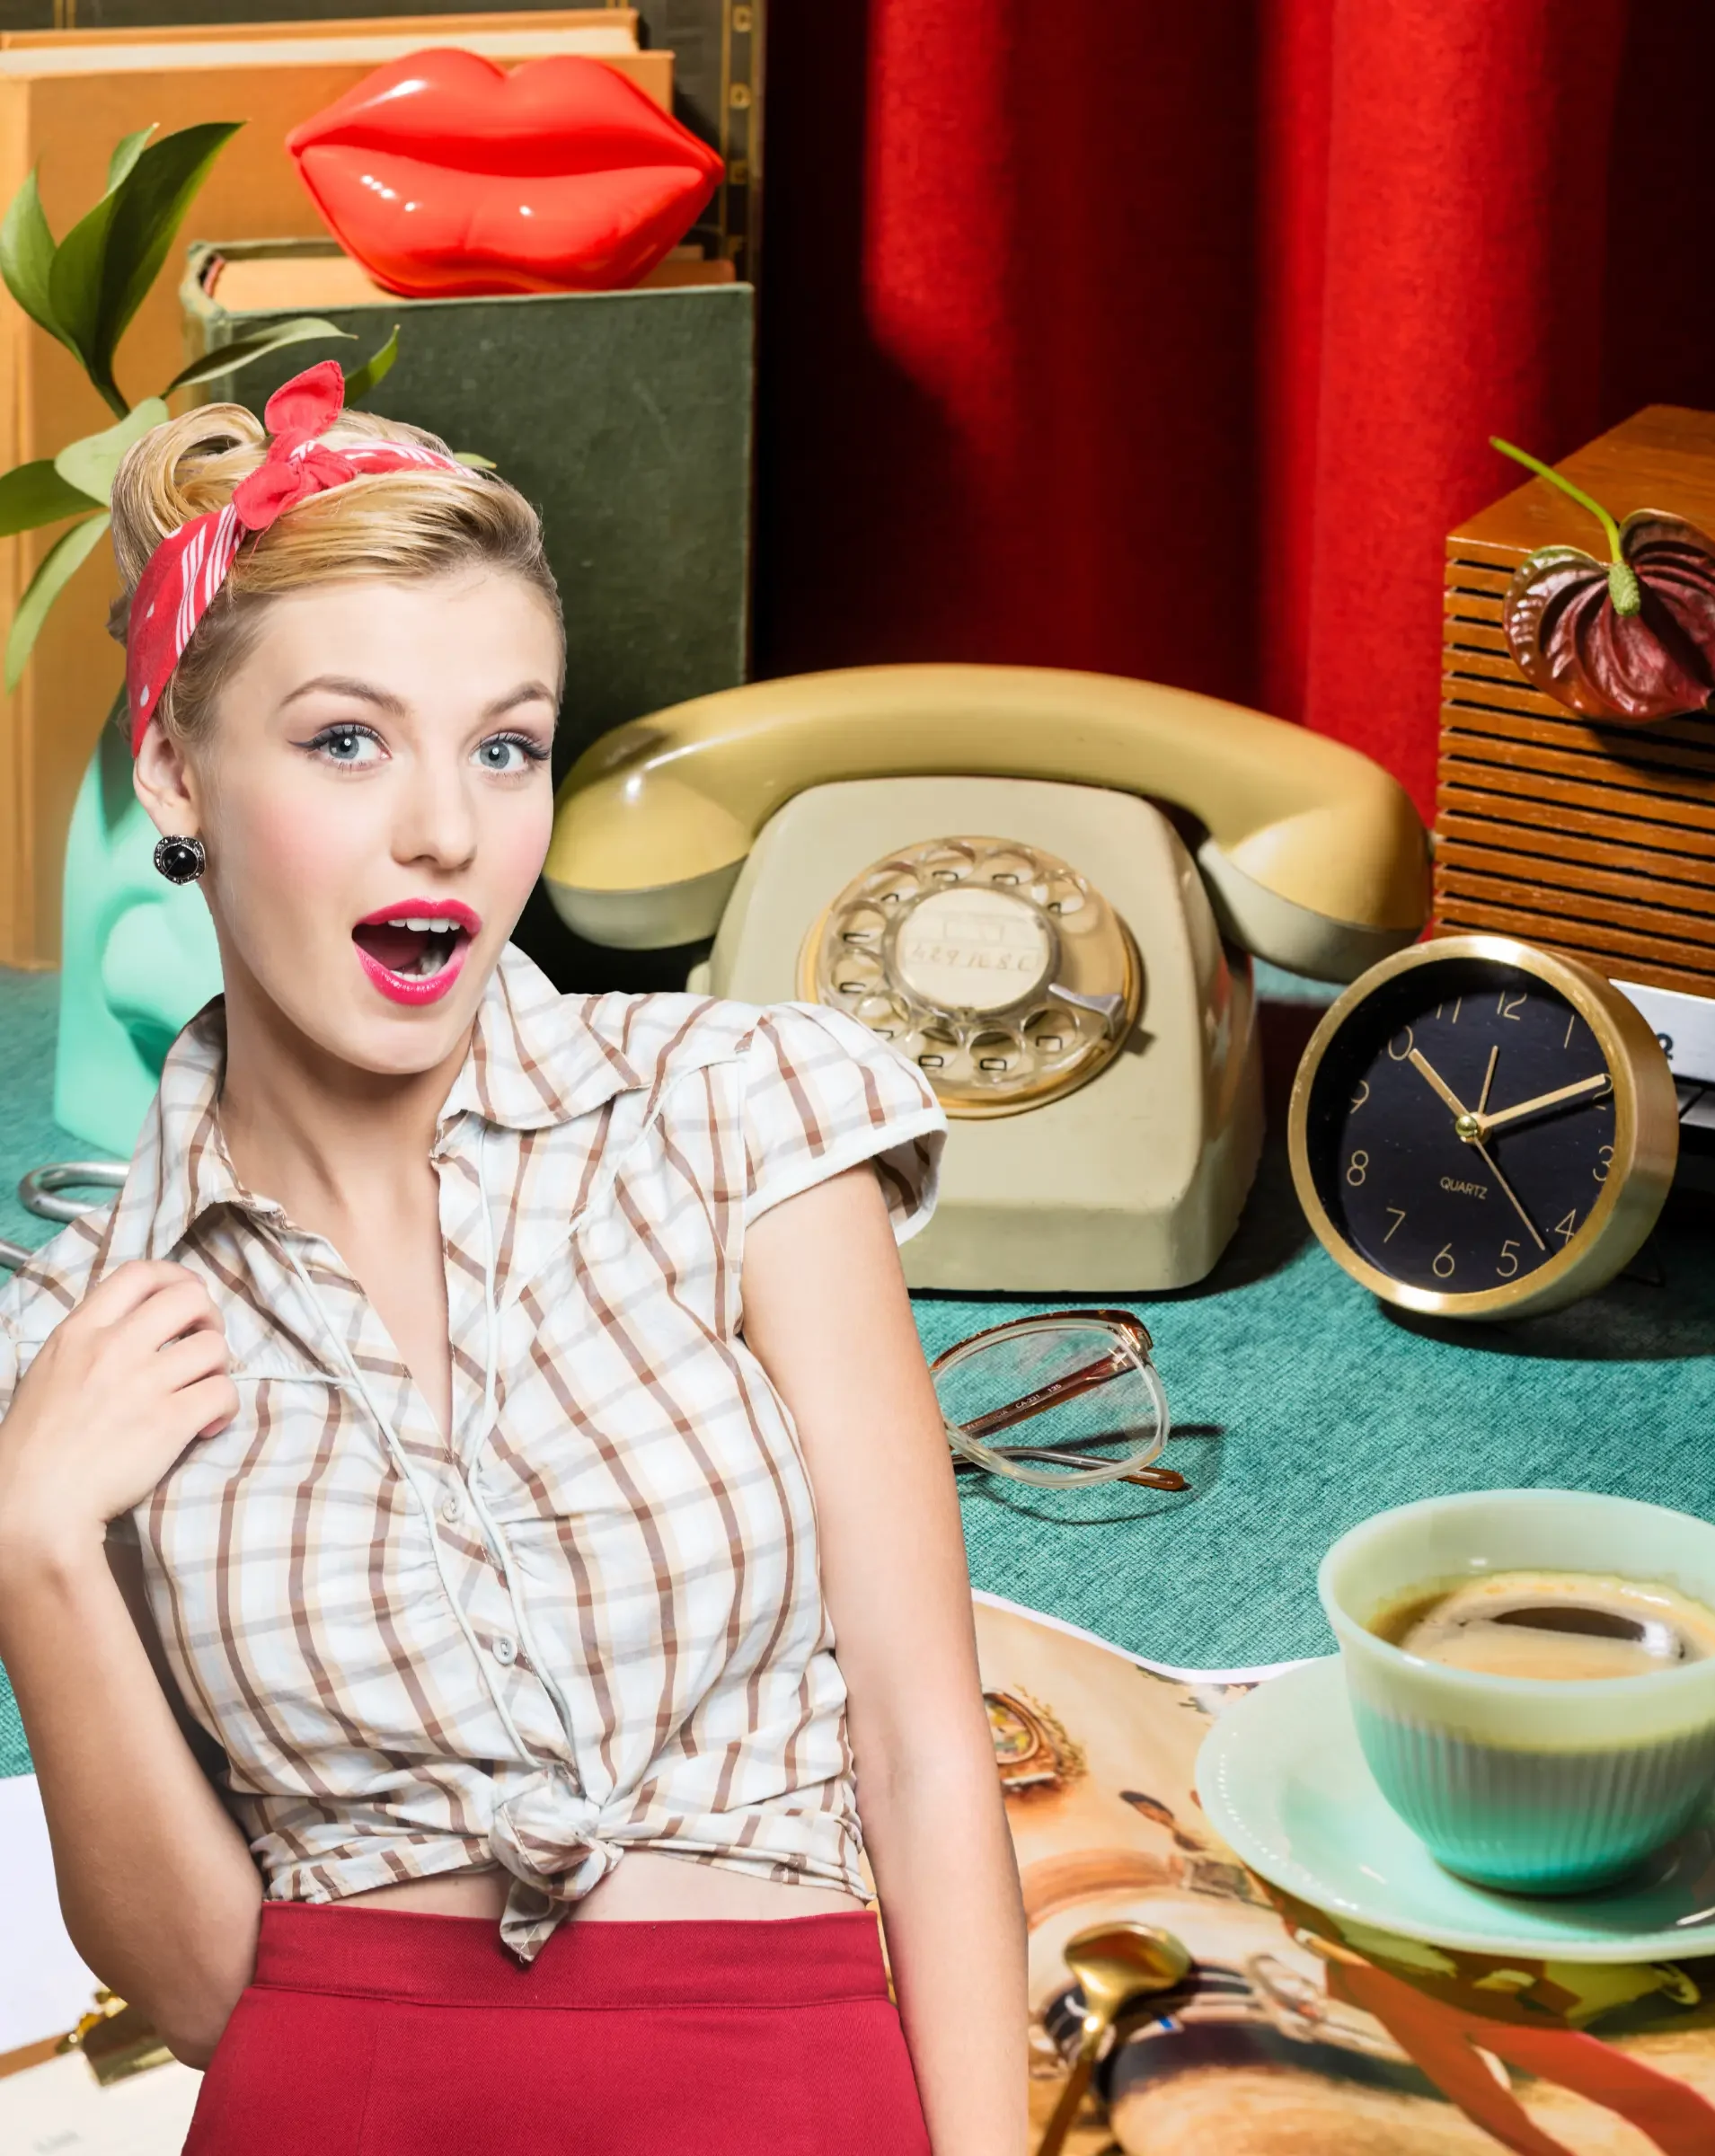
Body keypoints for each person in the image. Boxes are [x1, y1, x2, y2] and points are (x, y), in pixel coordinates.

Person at [0, 363, 1026, 2155]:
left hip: (781, 2058)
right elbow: (193, 1994)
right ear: (174, 761)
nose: (446, 833)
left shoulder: (745, 1108)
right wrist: (34, 1554)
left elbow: (927, 1754)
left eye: (504, 744)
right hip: (342, 2088)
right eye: (345, 742)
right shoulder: (78, 1326)